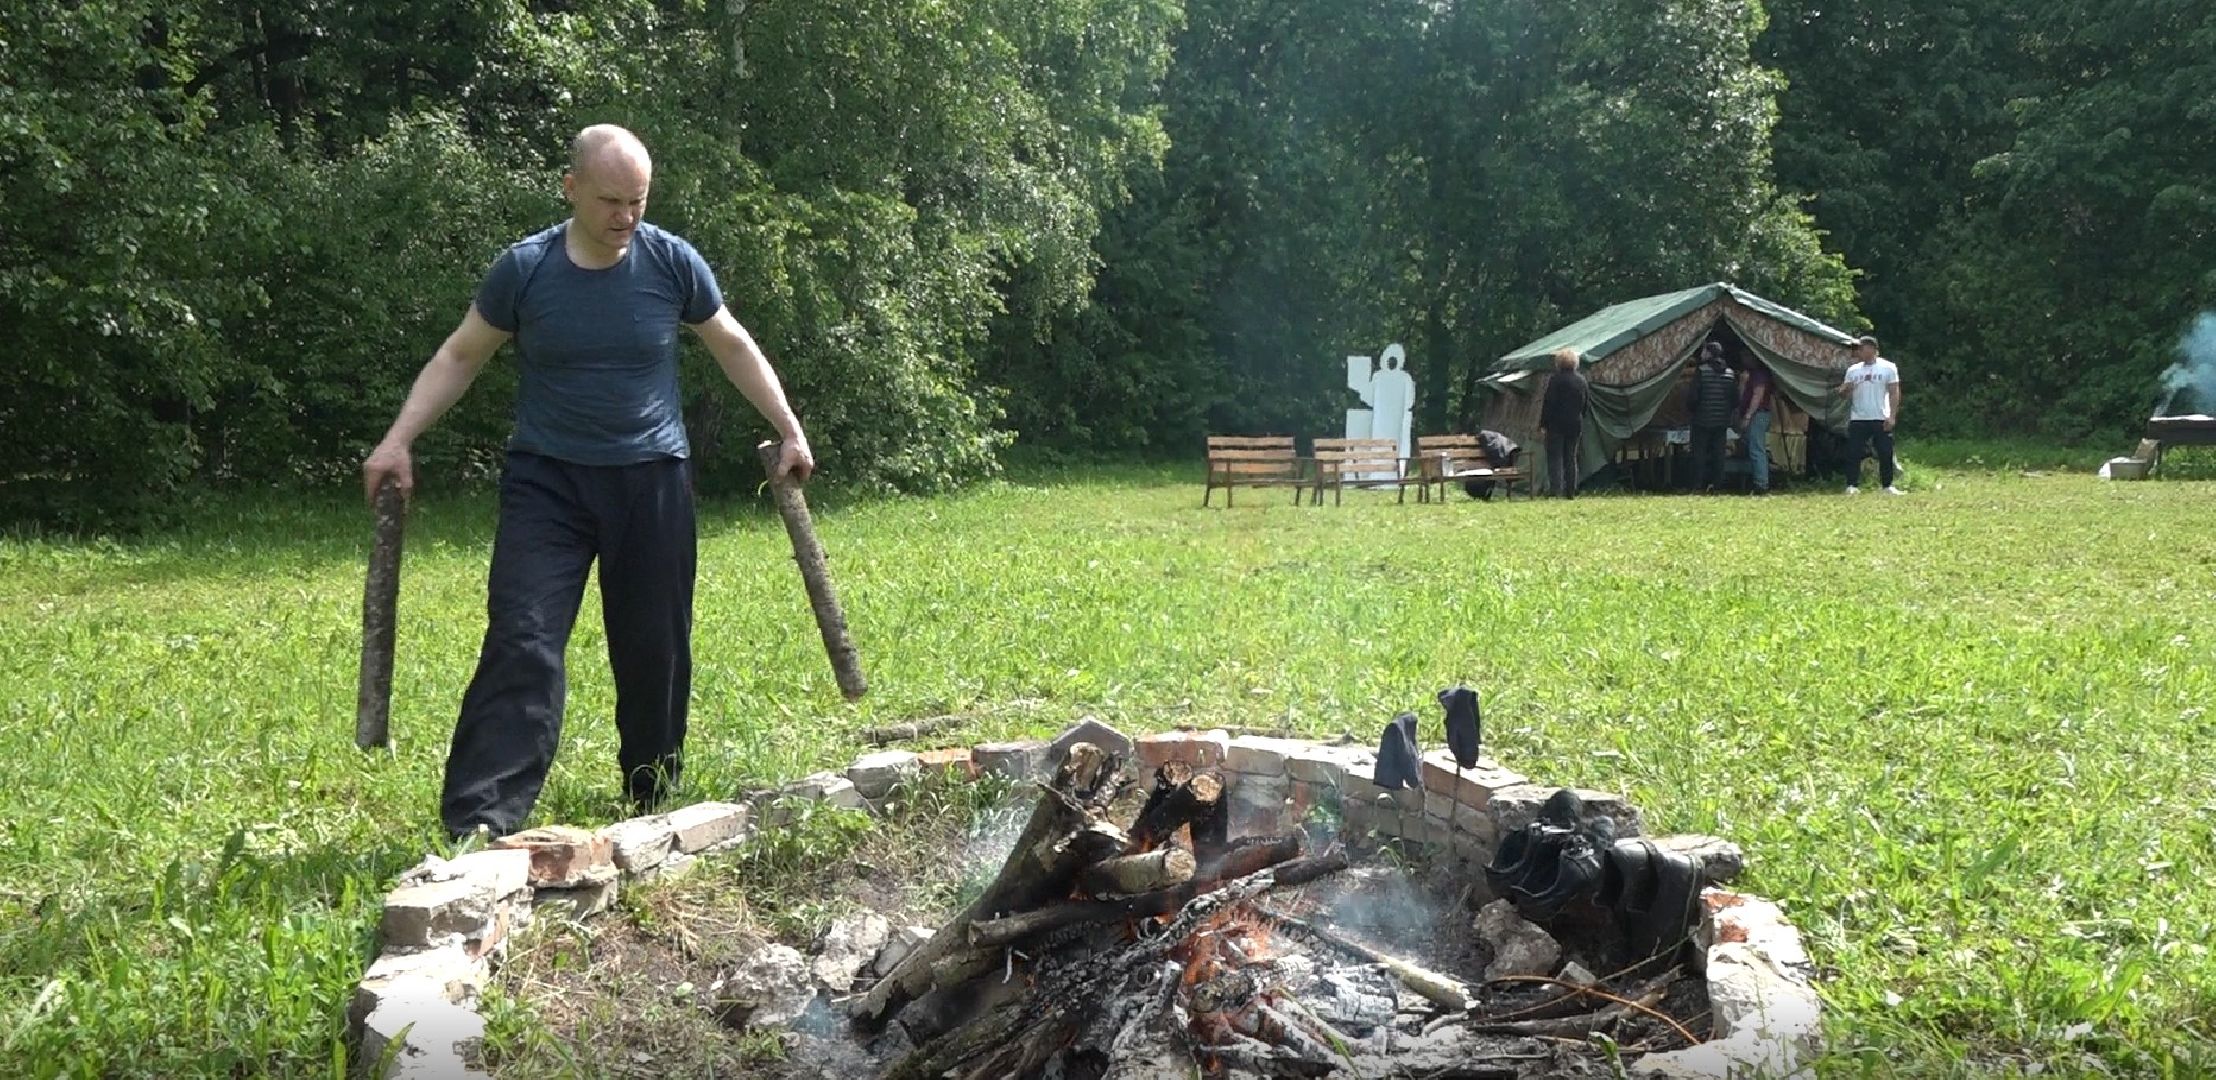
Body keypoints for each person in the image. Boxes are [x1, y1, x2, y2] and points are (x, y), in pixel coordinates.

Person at [361, 124, 816, 841]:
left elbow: (730, 341)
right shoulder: (526, 270)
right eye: (610, 201)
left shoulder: (672, 263)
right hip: (549, 484)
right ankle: (479, 821)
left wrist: (789, 427)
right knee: (524, 636)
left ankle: (651, 796)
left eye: (637, 201)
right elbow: (460, 354)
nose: (625, 217)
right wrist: (397, 440)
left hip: (652, 481)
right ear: (571, 188)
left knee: (653, 646)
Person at [1838, 335, 1902, 494]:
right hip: (1858, 417)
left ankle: (1887, 486)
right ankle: (1852, 485)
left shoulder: (1888, 367)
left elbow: (1894, 392)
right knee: (1853, 452)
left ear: (1872, 349)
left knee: (1885, 452)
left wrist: (1892, 416)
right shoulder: (1853, 370)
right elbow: (1843, 395)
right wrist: (1844, 390)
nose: (1858, 351)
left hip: (1880, 416)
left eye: (1861, 348)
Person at [1685, 342, 1737, 492]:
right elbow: (1735, 399)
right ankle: (1717, 485)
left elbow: (1693, 397)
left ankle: (1696, 485)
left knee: (1698, 454)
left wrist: (1692, 410)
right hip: (1722, 421)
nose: (1701, 354)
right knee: (1719, 454)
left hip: (1701, 419)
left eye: (1703, 351)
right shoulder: (1730, 373)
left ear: (1709, 353)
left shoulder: (1701, 371)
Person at [1537, 347, 1589, 498]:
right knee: (1571, 458)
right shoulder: (1582, 380)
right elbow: (1586, 404)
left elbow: (1549, 403)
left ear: (1559, 362)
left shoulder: (1555, 380)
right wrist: (1580, 417)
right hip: (1575, 424)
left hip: (1556, 425)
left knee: (1555, 458)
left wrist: (1543, 423)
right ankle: (1571, 491)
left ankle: (1556, 490)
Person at [1735, 358, 1776, 495]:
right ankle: (1757, 480)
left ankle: (1761, 484)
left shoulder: (1760, 375)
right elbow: (1741, 397)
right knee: (1752, 446)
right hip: (1754, 414)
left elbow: (1757, 396)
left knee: (1756, 448)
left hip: (1758, 414)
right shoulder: (1749, 375)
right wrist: (1742, 383)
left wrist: (1748, 416)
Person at [1461, 429, 1522, 501]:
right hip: (1488, 466)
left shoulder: (1490, 441)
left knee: (1492, 473)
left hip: (1493, 466)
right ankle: (1484, 494)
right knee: (1490, 473)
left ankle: (1486, 495)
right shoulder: (1488, 441)